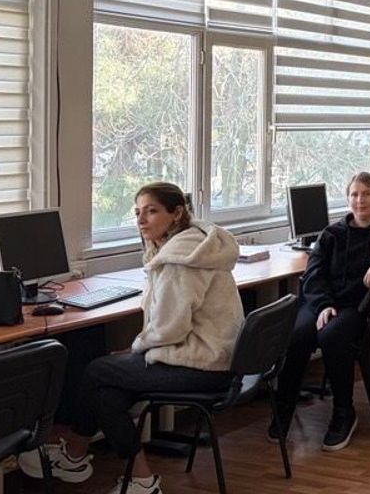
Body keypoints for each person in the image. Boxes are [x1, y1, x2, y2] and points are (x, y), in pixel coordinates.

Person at [19, 182, 244, 494]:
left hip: (202, 365)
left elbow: (169, 328)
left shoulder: (179, 261)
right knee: (107, 395)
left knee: (97, 370)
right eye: (137, 212)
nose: (141, 220)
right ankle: (140, 479)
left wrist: (134, 348)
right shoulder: (194, 246)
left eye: (151, 211)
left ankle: (75, 454)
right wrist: (135, 350)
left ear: (177, 213)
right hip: (215, 358)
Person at [273, 172, 370, 452]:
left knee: (332, 336)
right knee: (297, 335)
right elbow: (313, 276)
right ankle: (283, 407)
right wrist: (324, 305)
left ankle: (344, 412)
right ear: (347, 199)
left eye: (367, 194)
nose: (360, 200)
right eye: (354, 194)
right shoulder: (331, 234)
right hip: (323, 302)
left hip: (358, 307)